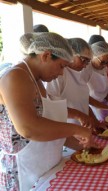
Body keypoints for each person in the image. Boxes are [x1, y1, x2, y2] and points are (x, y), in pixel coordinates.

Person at [0, 32, 96, 191]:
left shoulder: (35, 79)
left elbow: (47, 118)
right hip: (24, 171)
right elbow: (28, 128)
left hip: (45, 167)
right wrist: (76, 129)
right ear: (45, 55)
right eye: (61, 66)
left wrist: (79, 143)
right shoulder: (15, 76)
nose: (61, 73)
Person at [46, 38, 101, 128]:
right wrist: (78, 115)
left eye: (88, 62)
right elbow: (51, 106)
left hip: (80, 130)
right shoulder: (58, 75)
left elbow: (83, 102)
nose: (85, 65)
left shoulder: (79, 73)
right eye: (83, 60)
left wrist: (96, 122)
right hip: (66, 131)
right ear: (71, 54)